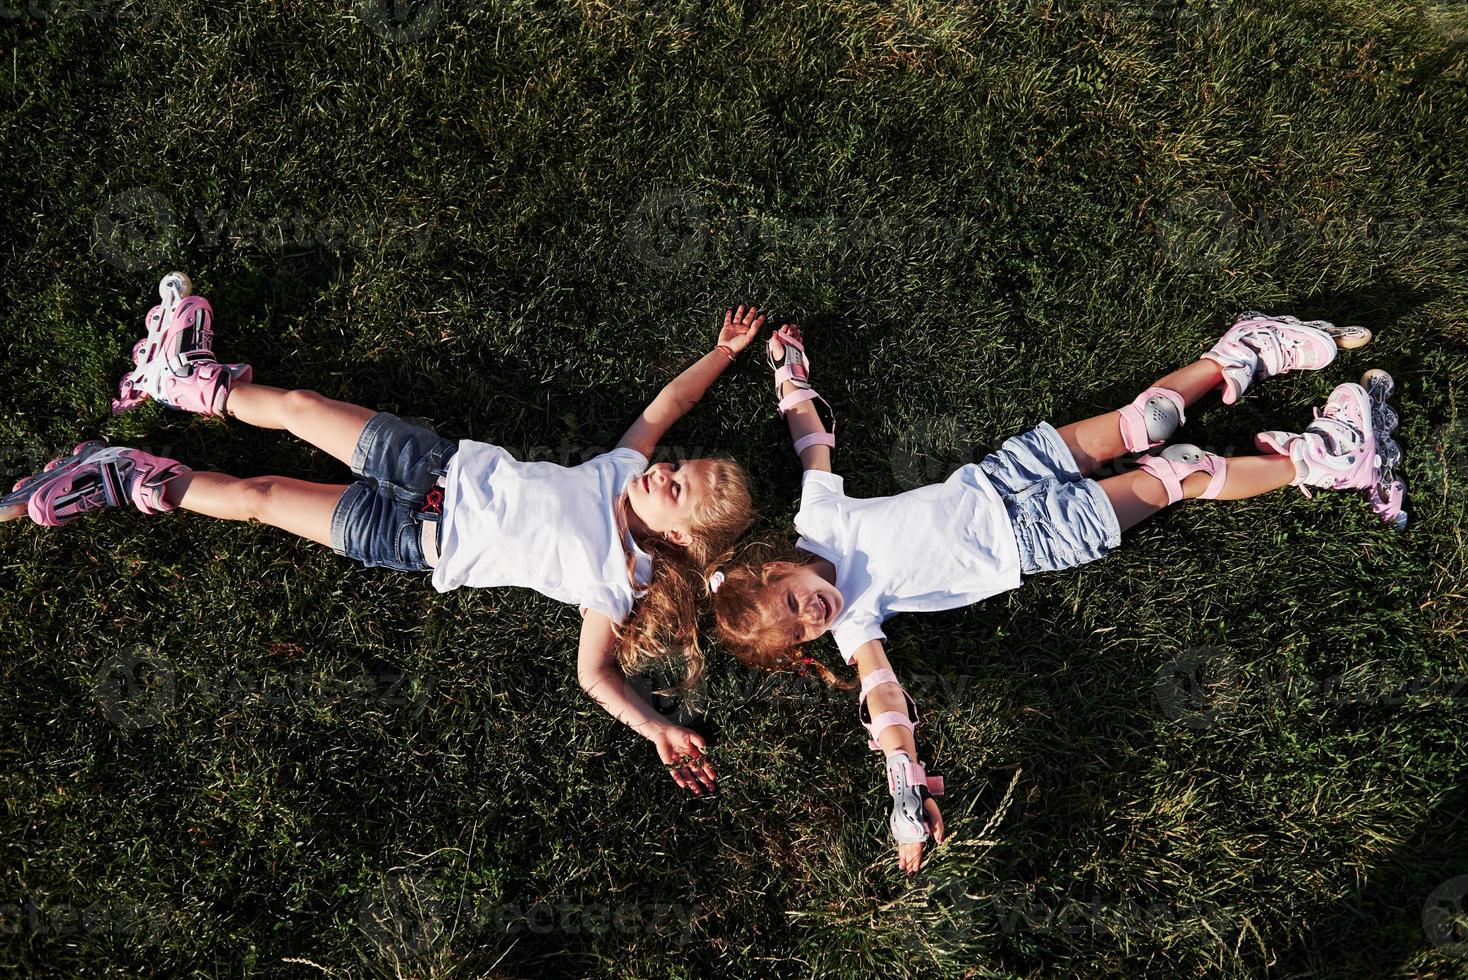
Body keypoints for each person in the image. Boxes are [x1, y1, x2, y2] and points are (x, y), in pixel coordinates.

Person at [3, 275, 765, 793]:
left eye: (676, 489)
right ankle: (188, 375)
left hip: (406, 538)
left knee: (262, 499)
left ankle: (125, 477)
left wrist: (655, 727)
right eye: (679, 467)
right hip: (428, 461)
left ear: (676, 540)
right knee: (301, 406)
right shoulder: (616, 469)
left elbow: (594, 677)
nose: (664, 471)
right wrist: (725, 353)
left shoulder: (617, 583)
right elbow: (667, 406)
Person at [712, 312, 1404, 872]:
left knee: (1148, 421)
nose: (812, 615)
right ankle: (1330, 458)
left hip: (997, 477)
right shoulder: (853, 621)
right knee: (1179, 472)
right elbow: (882, 694)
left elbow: (812, 445)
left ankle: (1246, 349)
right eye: (801, 631)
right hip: (1039, 537)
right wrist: (905, 785)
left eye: (794, 603)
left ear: (780, 570)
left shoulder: (819, 520)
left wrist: (790, 374)